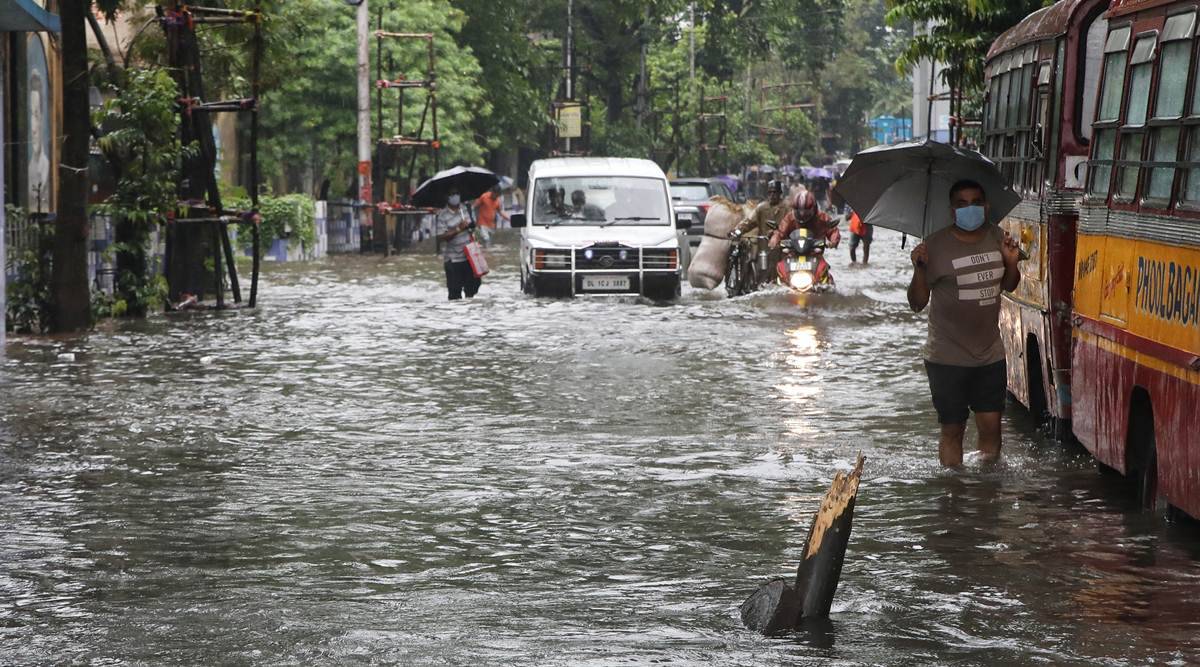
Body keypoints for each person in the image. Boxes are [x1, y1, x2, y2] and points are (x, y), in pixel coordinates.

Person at [907, 180, 1022, 468]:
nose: (969, 208)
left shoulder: (998, 237)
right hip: (946, 357)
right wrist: (919, 269)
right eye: (962, 203)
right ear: (952, 210)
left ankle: (983, 498)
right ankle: (955, 496)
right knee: (953, 430)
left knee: (992, 428)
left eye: (976, 202)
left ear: (985, 206)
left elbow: (1009, 286)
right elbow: (917, 303)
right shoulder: (933, 247)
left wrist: (1011, 263)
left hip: (989, 354)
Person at [729, 179, 789, 287]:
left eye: (775, 192)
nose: (772, 195)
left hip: (783, 249)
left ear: (780, 194)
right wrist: (738, 230)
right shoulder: (762, 208)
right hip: (765, 248)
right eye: (770, 192)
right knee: (761, 273)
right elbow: (749, 221)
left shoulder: (788, 208)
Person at [435, 188, 481, 301]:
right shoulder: (442, 215)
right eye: (452, 194)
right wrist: (458, 229)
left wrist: (472, 231)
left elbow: (474, 227)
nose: (455, 196)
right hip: (453, 260)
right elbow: (441, 237)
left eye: (457, 193)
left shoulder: (467, 209)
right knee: (455, 294)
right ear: (447, 197)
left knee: (473, 288)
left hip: (470, 257)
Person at [769, 190, 839, 250]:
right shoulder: (790, 218)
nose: (802, 214)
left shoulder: (822, 217)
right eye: (798, 211)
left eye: (806, 211)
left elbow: (833, 230)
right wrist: (774, 240)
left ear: (814, 208)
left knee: (825, 265)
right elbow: (780, 231)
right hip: (793, 253)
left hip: (815, 253)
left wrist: (833, 241)